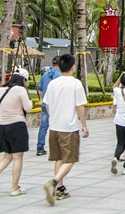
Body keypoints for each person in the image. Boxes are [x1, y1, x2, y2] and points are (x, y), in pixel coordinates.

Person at [41, 54, 88, 205]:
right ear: (73, 67)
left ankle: (59, 189)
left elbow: (47, 105)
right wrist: (84, 125)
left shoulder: (53, 84)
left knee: (59, 158)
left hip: (54, 127)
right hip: (69, 127)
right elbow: (79, 106)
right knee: (70, 158)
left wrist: (54, 116)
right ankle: (54, 183)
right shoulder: (75, 84)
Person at [0, 68, 33, 197]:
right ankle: (14, 187)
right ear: (23, 79)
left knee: (7, 156)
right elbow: (28, 107)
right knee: (18, 157)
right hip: (17, 125)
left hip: (3, 126)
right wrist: (31, 102)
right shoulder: (21, 90)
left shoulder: (2, 89)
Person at [36, 56, 61, 156]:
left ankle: (40, 148)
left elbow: (40, 87)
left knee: (43, 127)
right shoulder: (60, 76)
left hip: (45, 104)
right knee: (58, 127)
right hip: (56, 106)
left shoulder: (45, 74)